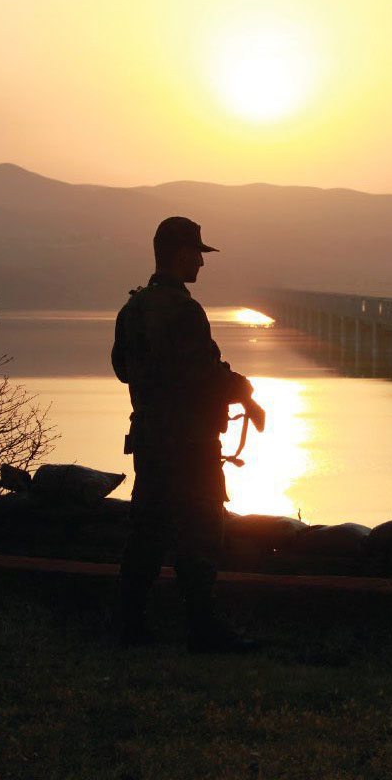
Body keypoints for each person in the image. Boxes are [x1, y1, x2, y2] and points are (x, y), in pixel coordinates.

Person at [112, 216, 262, 652]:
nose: (202, 261)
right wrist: (244, 390)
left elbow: (123, 370)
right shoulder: (185, 311)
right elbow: (205, 375)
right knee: (199, 537)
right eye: (198, 252)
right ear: (180, 255)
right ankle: (202, 630)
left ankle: (132, 628)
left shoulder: (133, 309)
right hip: (192, 445)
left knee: (147, 535)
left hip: (151, 442)